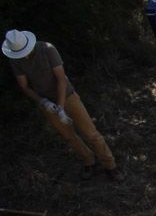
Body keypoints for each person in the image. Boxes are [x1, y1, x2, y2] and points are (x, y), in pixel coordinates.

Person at [4, 29, 117, 179]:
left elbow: (61, 79)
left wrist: (61, 107)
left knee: (91, 134)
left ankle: (111, 165)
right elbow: (25, 86)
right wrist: (43, 101)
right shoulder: (15, 60)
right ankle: (89, 161)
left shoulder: (47, 49)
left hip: (68, 96)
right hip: (46, 102)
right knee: (69, 136)